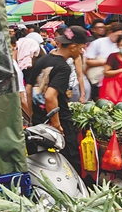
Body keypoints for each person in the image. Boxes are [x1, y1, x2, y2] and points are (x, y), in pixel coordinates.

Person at [25, 26, 87, 172]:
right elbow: (50, 96)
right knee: (69, 163)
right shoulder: (63, 67)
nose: (81, 52)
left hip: (38, 122)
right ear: (72, 47)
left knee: (44, 163)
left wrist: (32, 117)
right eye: (81, 48)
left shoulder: (43, 60)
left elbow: (28, 89)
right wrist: (57, 125)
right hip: (59, 121)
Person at [85, 22, 122, 99]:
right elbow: (88, 61)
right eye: (118, 35)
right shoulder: (98, 43)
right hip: (101, 81)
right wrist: (107, 62)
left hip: (118, 82)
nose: (120, 38)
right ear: (110, 32)